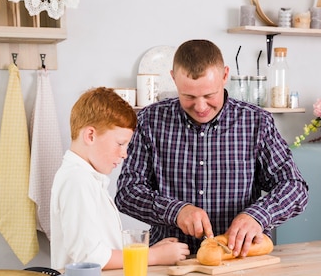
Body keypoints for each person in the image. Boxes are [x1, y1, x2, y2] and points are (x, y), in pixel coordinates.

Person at [115, 40, 309, 257]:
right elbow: (127, 192)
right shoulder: (149, 121)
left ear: (225, 76)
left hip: (240, 259)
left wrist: (258, 216)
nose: (200, 107)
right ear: (173, 78)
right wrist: (175, 211)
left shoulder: (257, 122)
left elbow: (294, 187)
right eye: (188, 96)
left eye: (209, 95)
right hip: (168, 261)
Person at [50, 87, 190, 270]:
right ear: (90, 135)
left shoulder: (87, 178)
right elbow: (90, 256)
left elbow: (105, 247)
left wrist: (146, 250)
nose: (125, 154)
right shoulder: (77, 181)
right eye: (120, 144)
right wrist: (153, 256)